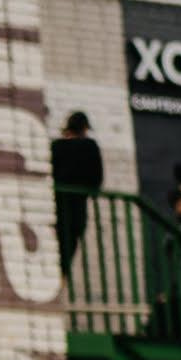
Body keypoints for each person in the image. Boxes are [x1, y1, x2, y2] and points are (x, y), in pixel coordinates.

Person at [50, 111, 103, 279]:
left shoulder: (56, 146)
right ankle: (62, 279)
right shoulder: (90, 146)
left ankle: (54, 279)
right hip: (78, 205)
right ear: (84, 128)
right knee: (70, 245)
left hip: (55, 204)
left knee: (55, 245)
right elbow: (97, 178)